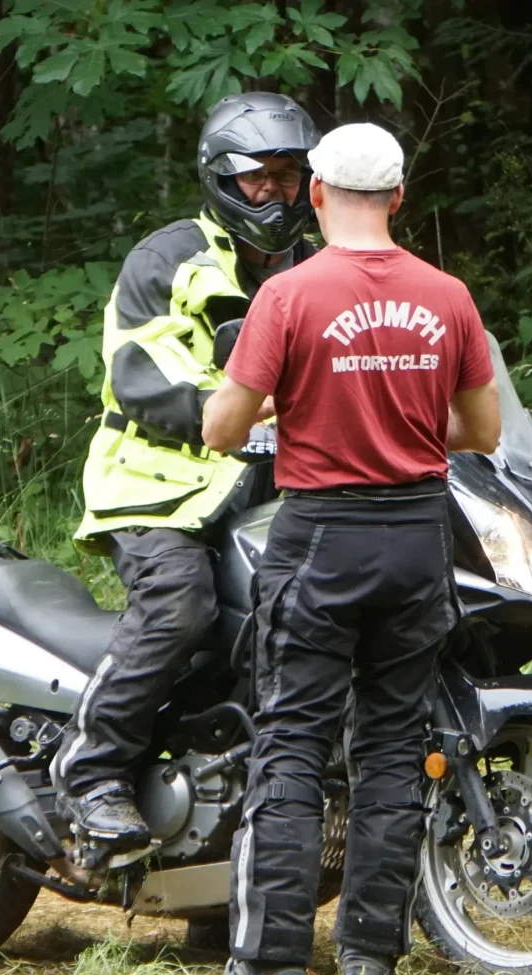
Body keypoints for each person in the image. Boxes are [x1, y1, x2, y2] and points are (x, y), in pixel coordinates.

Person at [202, 122, 501, 975]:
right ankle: (371, 962)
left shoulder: (290, 295)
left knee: (291, 742)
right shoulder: (446, 295)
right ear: (399, 197)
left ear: (318, 193)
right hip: (417, 538)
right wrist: (405, 425)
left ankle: (270, 965)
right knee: (390, 747)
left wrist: (293, 416)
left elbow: (223, 426)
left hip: (319, 537)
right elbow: (479, 432)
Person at [54, 93, 322, 848]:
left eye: (289, 176)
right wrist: (238, 413)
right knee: (180, 606)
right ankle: (92, 769)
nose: (274, 192)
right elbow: (142, 370)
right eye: (257, 177)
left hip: (275, 494)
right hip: (159, 488)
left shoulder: (316, 268)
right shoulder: (169, 258)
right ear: (219, 178)